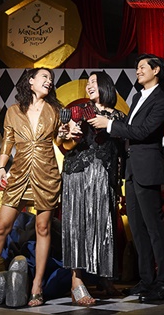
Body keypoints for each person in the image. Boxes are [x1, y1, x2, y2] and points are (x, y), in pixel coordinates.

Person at [0, 67, 71, 310]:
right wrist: (2, 167)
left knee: (43, 228)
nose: (49, 81)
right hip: (20, 172)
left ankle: (37, 286)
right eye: (44, 77)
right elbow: (8, 141)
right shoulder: (13, 111)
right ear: (31, 81)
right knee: (1, 227)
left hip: (46, 173)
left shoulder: (55, 110)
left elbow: (60, 142)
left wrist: (65, 134)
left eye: (51, 79)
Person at [88, 54, 164, 302]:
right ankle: (147, 280)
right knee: (137, 229)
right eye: (137, 68)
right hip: (131, 169)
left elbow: (144, 131)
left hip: (147, 168)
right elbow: (133, 130)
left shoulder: (162, 100)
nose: (137, 71)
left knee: (154, 228)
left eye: (142, 67)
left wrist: (109, 125)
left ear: (156, 70)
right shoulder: (138, 97)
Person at [61, 71, 126, 306]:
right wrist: (69, 132)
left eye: (94, 82)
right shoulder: (78, 110)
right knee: (77, 225)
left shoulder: (119, 116)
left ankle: (105, 278)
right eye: (88, 83)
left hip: (105, 176)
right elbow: (64, 142)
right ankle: (76, 282)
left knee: (104, 226)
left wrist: (119, 183)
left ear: (106, 86)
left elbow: (121, 153)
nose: (89, 86)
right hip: (79, 173)